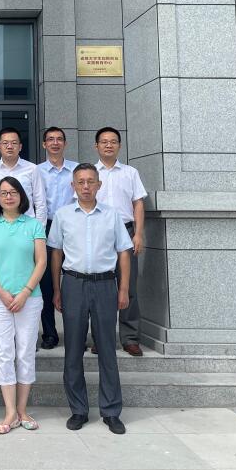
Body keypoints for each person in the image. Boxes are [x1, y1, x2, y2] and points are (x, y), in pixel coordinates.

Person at [48, 162, 133, 435]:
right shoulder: (62, 215)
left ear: (99, 184)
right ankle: (78, 410)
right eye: (80, 182)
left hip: (105, 284)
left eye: (90, 181)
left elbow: (124, 252)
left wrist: (123, 288)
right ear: (73, 186)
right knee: (73, 349)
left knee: (107, 348)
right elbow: (56, 253)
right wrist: (57, 289)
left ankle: (111, 411)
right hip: (73, 284)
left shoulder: (112, 215)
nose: (85, 187)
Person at [0, 176, 47, 435]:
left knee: (26, 352)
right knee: (4, 353)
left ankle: (22, 410)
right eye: (3, 193)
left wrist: (25, 292)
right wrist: (1, 292)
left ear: (21, 196)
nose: (8, 197)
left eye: (13, 192)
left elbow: (41, 262)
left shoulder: (34, 225)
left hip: (30, 298)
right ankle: (9, 412)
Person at [94, 127, 147, 357]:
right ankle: (101, 338)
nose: (108, 145)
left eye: (113, 141)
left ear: (119, 146)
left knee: (129, 287)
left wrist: (138, 234)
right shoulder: (89, 173)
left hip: (126, 232)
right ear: (96, 146)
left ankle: (130, 338)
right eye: (104, 141)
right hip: (98, 233)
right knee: (101, 289)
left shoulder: (130, 172)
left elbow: (138, 204)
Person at [35, 126, 77, 350]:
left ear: (65, 143)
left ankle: (75, 334)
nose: (55, 143)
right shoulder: (36, 171)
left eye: (59, 139)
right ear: (44, 144)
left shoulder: (76, 169)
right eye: (50, 139)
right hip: (46, 226)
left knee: (74, 279)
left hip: (73, 226)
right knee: (46, 284)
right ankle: (50, 334)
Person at [0, 127, 48, 227]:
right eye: (5, 143)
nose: (9, 146)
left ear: (20, 147)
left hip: (27, 225)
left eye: (14, 143)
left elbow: (40, 202)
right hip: (0, 226)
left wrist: (40, 228)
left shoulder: (32, 169)